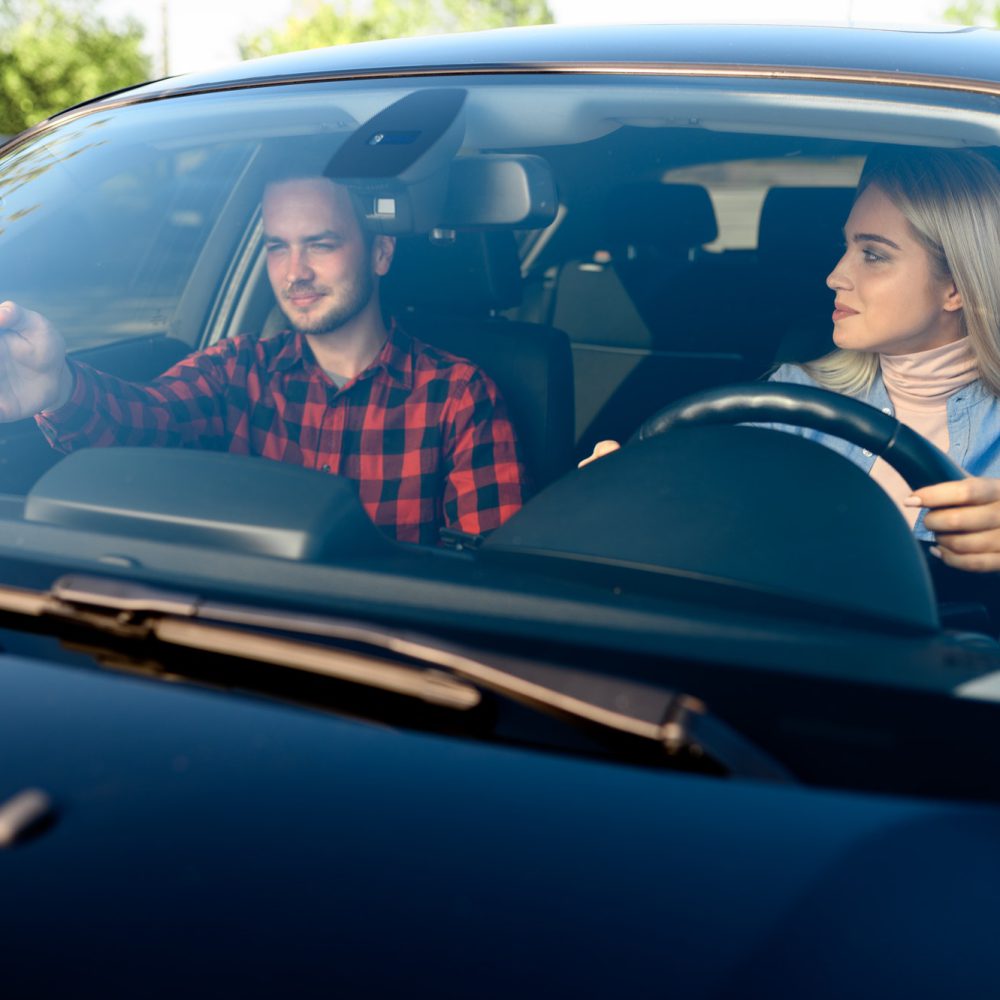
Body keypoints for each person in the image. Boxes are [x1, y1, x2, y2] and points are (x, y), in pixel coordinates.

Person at [0, 174, 528, 546]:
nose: (294, 272)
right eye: (277, 247)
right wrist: (59, 389)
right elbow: (144, 418)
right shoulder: (238, 370)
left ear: (381, 253)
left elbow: (491, 574)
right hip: (246, 649)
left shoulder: (458, 395)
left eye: (319, 244)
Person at [581, 147, 1000, 573]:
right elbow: (712, 508)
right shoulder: (793, 397)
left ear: (955, 288)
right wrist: (637, 492)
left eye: (873, 255)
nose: (835, 275)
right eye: (847, 247)